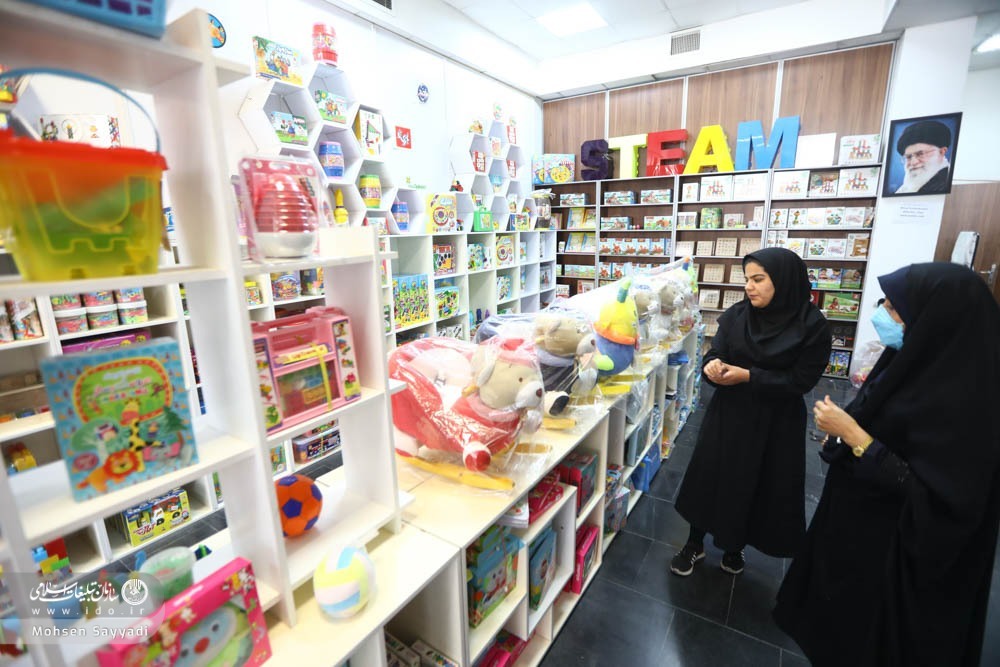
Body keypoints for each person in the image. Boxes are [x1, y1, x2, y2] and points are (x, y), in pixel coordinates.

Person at [773, 263, 1000, 667]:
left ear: (937, 321)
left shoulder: (971, 405)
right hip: (855, 537)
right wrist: (845, 436)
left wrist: (855, 437)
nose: (883, 316)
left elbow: (941, 501)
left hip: (894, 563)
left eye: (895, 310)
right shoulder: (906, 360)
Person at [670, 248, 831, 576]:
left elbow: (801, 380)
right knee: (711, 476)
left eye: (758, 279)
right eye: (747, 279)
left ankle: (734, 547)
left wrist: (748, 376)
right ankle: (694, 543)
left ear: (783, 281)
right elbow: (715, 352)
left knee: (756, 483)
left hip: (776, 421)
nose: (749, 287)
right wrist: (712, 365)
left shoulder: (812, 326)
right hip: (730, 413)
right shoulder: (738, 314)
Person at [893, 119, 953, 194]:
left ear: (941, 152)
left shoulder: (945, 184)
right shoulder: (906, 187)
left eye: (920, 154)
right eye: (908, 157)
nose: (913, 162)